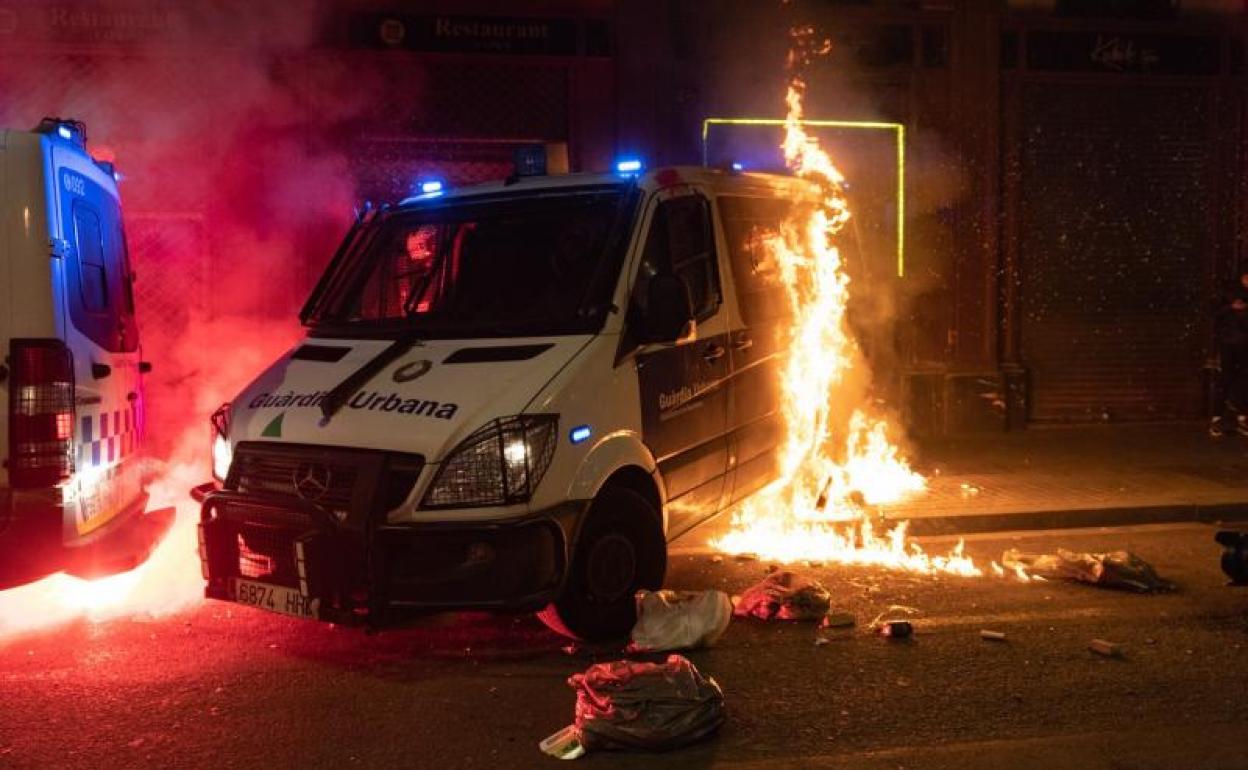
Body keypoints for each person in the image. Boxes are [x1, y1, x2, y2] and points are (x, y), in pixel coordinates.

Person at [1210, 272, 1248, 437]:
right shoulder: (1229, 293)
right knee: (1229, 377)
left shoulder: (1231, 293)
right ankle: (1220, 417)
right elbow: (1215, 313)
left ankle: (1238, 416)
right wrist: (1231, 308)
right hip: (1232, 343)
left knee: (1240, 378)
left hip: (1239, 342)